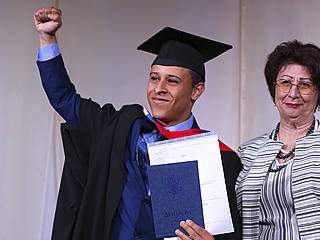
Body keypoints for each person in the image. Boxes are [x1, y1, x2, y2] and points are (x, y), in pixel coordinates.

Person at [34, 6, 242, 240]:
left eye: (172, 81)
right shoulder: (120, 126)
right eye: (154, 78)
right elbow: (64, 98)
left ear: (196, 91)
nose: (159, 89)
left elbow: (227, 232)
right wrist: (47, 37)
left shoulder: (217, 158)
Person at [177, 40, 320, 240]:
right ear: (274, 89)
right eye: (285, 83)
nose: (293, 93)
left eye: (305, 85)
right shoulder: (249, 152)